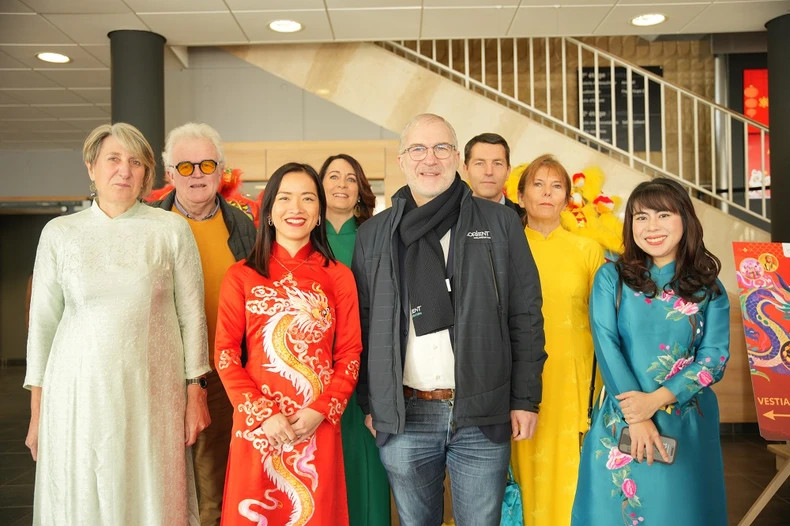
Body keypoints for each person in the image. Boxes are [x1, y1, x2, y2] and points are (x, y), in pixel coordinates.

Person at [351, 113, 547, 525]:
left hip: (481, 411)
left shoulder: (499, 222)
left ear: (457, 158)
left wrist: (525, 399)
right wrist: (373, 403)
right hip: (405, 414)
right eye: (418, 149)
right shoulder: (374, 235)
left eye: (441, 148)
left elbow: (525, 313)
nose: (430, 159)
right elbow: (364, 325)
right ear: (402, 160)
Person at [24, 123, 210, 525]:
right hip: (76, 393)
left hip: (152, 390)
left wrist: (196, 390)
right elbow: (42, 324)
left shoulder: (170, 230)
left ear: (146, 174)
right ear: (91, 167)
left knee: (151, 489)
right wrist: (38, 412)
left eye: (135, 162)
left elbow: (191, 314)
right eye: (113, 159)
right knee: (81, 487)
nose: (124, 170)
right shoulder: (59, 233)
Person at [572, 177, 729, 525]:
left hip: (685, 424)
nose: (651, 227)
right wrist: (638, 415)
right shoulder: (611, 277)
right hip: (621, 419)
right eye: (641, 217)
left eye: (662, 215)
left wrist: (655, 401)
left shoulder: (708, 286)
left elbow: (714, 357)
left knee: (680, 513)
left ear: (684, 220)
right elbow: (606, 344)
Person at [214, 162, 362, 526]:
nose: (296, 208)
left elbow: (350, 354)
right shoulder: (242, 275)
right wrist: (264, 415)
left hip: (317, 422)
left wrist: (322, 409)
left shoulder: (338, 276)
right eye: (285, 198)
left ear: (318, 214)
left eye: (307, 198)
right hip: (258, 427)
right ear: (268, 211)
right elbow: (226, 355)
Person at [151, 122, 257, 526]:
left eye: (207, 164)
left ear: (221, 171)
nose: (197, 175)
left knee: (216, 480)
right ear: (169, 174)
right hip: (160, 375)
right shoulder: (150, 226)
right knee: (162, 480)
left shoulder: (244, 226)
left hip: (223, 376)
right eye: (186, 166)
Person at [510, 154, 604, 526]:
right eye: (537, 184)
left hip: (573, 377)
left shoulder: (589, 251)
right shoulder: (505, 247)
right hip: (521, 380)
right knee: (523, 465)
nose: (547, 193)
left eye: (556, 186)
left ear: (567, 199)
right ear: (520, 197)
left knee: (574, 471)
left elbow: (604, 323)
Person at [318, 154, 391, 526]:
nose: (342, 184)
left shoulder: (376, 235)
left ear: (360, 188)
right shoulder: (304, 236)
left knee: (365, 456)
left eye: (350, 178)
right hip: (314, 365)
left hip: (366, 364)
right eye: (333, 176)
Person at [463, 132, 525, 219]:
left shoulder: (526, 219)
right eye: (480, 163)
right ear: (466, 170)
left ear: (508, 171)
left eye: (497, 164)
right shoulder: (449, 218)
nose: (489, 172)